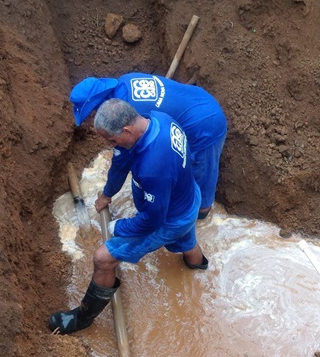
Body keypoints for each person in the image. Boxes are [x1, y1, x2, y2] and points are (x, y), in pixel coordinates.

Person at [48, 99, 208, 335]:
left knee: (103, 258)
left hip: (169, 219)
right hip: (186, 199)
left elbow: (153, 220)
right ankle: (201, 270)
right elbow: (120, 162)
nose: (112, 145)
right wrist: (106, 194)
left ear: (126, 130)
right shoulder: (158, 120)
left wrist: (118, 227)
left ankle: (82, 318)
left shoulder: (153, 166)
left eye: (112, 140)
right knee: (186, 239)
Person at [69, 73, 227, 219]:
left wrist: (107, 195)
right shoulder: (125, 82)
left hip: (204, 123)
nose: (93, 118)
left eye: (92, 112)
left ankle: (201, 215)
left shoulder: (123, 116)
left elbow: (120, 166)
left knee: (199, 174)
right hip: (196, 98)